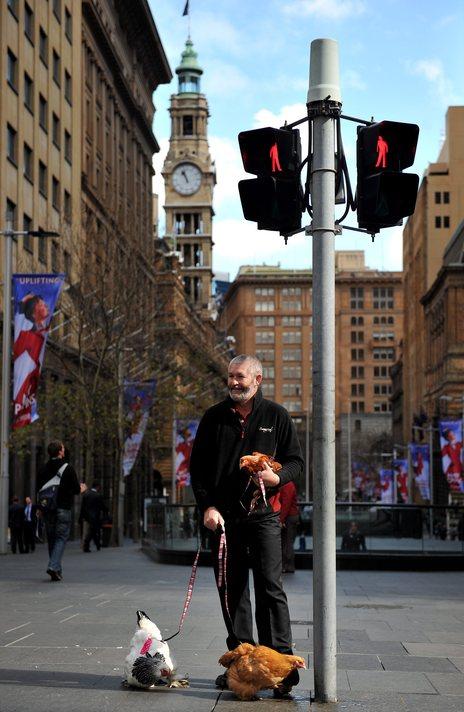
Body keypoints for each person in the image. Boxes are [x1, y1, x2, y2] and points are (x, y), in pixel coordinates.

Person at [190, 354, 303, 698]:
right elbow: (197, 469)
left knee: (271, 589)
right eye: (231, 377)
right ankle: (241, 667)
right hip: (224, 520)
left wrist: (277, 475)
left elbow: (297, 462)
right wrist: (207, 506)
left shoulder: (276, 416)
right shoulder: (213, 417)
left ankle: (280, 669)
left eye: (240, 377)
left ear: (258, 380)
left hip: (265, 517)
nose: (234, 383)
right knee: (233, 592)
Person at [38, 440, 87, 580]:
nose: (64, 450)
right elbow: (75, 489)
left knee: (52, 539)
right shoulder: (68, 468)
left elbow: (39, 490)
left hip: (48, 509)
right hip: (63, 508)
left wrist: (39, 508)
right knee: (61, 538)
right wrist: (82, 489)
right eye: (63, 448)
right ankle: (53, 566)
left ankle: (56, 570)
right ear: (60, 451)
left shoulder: (43, 469)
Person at [79, 481, 107, 552]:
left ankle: (97, 545)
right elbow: (102, 506)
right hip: (95, 516)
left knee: (93, 530)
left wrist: (81, 517)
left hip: (87, 516)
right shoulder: (98, 495)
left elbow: (82, 507)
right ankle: (86, 545)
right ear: (97, 487)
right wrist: (106, 513)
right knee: (92, 531)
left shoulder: (86, 494)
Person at [279, 481, 299, 573]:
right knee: (287, 542)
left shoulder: (287, 485)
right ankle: (287, 566)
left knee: (287, 542)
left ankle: (287, 566)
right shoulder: (289, 484)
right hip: (290, 516)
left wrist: (281, 520)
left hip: (288, 517)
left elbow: (286, 503)